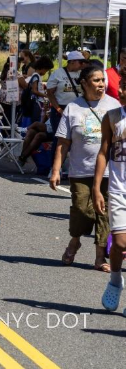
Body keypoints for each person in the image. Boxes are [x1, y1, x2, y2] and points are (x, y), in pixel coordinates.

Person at [48, 62, 119, 271]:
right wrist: (55, 170)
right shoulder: (73, 108)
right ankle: (75, 240)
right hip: (80, 171)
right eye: (96, 81)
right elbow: (63, 142)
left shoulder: (114, 105)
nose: (101, 85)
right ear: (84, 83)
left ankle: (99, 258)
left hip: (109, 172)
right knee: (82, 210)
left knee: (104, 214)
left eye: (103, 80)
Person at [96, 74, 126, 313]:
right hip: (118, 189)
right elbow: (104, 152)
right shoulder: (113, 117)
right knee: (119, 243)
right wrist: (97, 188)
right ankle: (116, 280)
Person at [17, 56, 55, 167]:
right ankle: (23, 155)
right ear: (43, 67)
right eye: (46, 70)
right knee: (35, 126)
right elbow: (34, 90)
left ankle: (23, 155)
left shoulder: (35, 76)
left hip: (40, 108)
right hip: (36, 104)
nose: (46, 72)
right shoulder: (36, 76)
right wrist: (46, 95)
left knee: (35, 128)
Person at [47, 51, 87, 133]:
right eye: (80, 62)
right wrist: (59, 109)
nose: (82, 65)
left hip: (78, 109)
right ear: (72, 62)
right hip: (61, 109)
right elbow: (50, 93)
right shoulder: (58, 73)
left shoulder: (82, 73)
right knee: (59, 137)